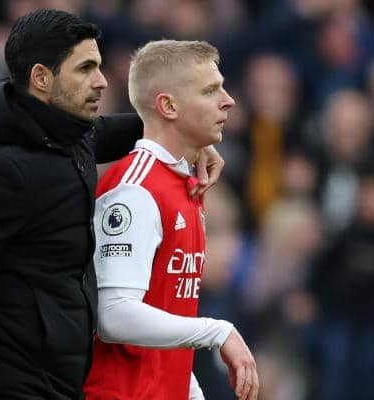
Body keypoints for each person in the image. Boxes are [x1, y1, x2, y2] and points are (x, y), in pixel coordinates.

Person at [0, 9, 225, 400]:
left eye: (99, 66)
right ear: (42, 78)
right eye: (85, 68)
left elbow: (107, 133)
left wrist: (186, 138)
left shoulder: (66, 137)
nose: (101, 81)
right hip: (6, 385)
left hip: (60, 384)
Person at [83, 40, 258, 400]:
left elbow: (164, 314)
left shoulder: (185, 183)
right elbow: (113, 315)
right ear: (168, 106)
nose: (228, 100)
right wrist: (217, 331)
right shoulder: (136, 189)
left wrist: (189, 391)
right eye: (210, 91)